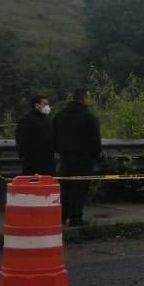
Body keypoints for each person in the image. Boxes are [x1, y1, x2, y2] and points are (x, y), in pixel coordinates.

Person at [53, 88, 102, 227]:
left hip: (65, 159)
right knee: (79, 190)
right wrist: (95, 156)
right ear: (85, 99)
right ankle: (76, 219)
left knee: (65, 189)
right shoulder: (89, 117)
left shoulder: (60, 115)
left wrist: (60, 150)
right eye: (89, 97)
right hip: (83, 159)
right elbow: (95, 140)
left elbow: (54, 137)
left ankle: (61, 218)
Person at [15, 95, 56, 176]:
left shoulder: (47, 119)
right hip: (32, 161)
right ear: (37, 105)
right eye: (44, 104)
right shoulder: (26, 120)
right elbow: (22, 140)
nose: (47, 106)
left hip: (48, 159)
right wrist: (24, 155)